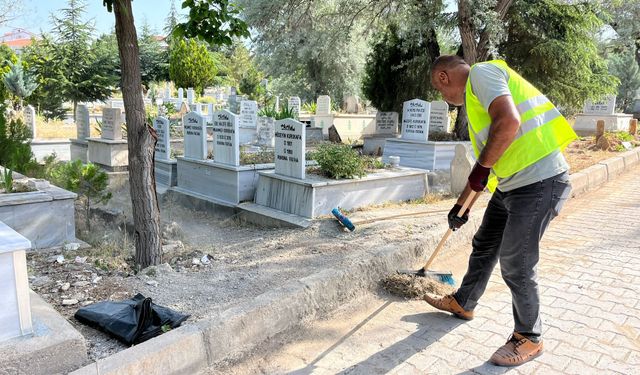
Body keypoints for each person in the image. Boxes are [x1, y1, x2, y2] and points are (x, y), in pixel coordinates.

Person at [425, 55, 576, 366]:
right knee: (485, 243)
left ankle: (529, 337)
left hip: (539, 181)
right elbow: (488, 163)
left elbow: (508, 123)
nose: (444, 98)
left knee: (516, 261)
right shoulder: (477, 97)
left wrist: (480, 171)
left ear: (443, 77)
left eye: (440, 91)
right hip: (512, 184)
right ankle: (464, 302)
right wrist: (461, 205)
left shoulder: (481, 74)